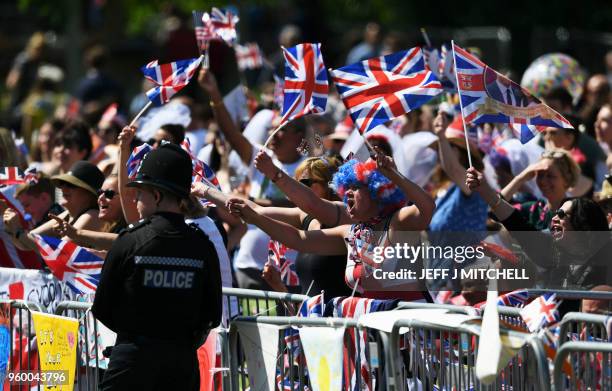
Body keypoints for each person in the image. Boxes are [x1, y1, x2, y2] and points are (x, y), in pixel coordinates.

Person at [92, 143, 222, 390]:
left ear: (157, 196)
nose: (136, 199)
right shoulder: (202, 246)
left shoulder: (131, 240)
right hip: (181, 365)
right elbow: (212, 314)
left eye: (140, 192)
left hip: (132, 362)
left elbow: (102, 307)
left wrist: (136, 336)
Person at [225, 151, 436, 301]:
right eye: (347, 189)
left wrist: (394, 175)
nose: (348, 194)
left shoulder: (397, 222)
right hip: (372, 335)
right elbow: (299, 240)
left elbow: (427, 207)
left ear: (377, 191)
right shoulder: (351, 234)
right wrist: (255, 218)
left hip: (412, 334)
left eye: (356, 188)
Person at [199, 67, 307, 290]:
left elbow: (305, 207)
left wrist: (254, 204)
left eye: (281, 130)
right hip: (248, 265)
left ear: (298, 135)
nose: (273, 135)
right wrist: (215, 95)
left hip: (289, 269)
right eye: (271, 129)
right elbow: (231, 133)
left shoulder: (307, 166)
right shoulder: (260, 156)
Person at [466, 167, 611, 292]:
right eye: (555, 213)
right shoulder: (552, 253)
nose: (554, 219)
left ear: (582, 222)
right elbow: (517, 224)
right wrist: (484, 189)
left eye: (561, 215)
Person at [2, 161, 104, 253]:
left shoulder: (92, 215)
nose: (63, 188)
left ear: (89, 194)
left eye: (71, 185)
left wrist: (18, 230)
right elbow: (26, 244)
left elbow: (57, 252)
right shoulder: (68, 213)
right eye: (62, 183)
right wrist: (12, 228)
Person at [499, 149, 580, 230]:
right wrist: (520, 179)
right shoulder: (533, 210)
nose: (543, 181)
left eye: (550, 176)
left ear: (566, 179)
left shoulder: (578, 212)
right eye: (540, 175)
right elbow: (495, 210)